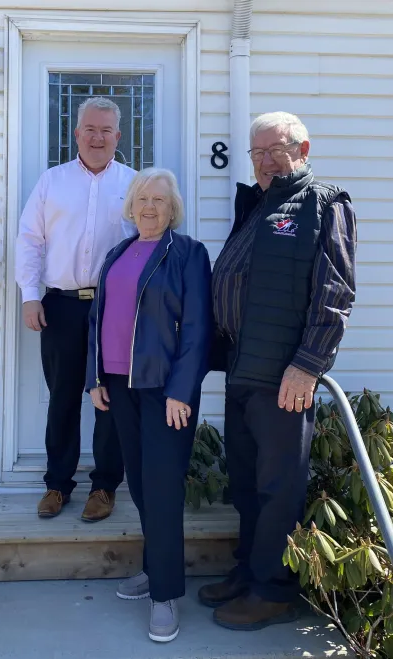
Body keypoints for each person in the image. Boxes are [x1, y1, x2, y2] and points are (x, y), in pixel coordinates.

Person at [201, 111, 357, 631]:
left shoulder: (321, 203)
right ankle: (249, 571)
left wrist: (308, 366)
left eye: (276, 149)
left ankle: (274, 590)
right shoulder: (257, 206)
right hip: (244, 370)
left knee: (278, 487)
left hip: (284, 378)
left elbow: (335, 294)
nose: (266, 161)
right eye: (257, 152)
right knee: (245, 483)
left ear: (303, 148)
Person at [86, 168, 212, 642]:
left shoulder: (188, 254)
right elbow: (98, 319)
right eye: (143, 198)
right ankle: (153, 568)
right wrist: (94, 378)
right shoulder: (118, 252)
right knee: (138, 482)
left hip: (164, 390)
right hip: (119, 385)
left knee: (161, 487)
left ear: (172, 207)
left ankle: (165, 594)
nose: (150, 207)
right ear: (131, 205)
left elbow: (198, 328)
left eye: (159, 199)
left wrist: (182, 389)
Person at [16, 97, 136, 521]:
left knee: (111, 399)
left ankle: (104, 487)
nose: (98, 137)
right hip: (61, 306)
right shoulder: (52, 182)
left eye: (106, 130)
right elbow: (30, 239)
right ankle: (57, 484)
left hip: (116, 310)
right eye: (90, 128)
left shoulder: (135, 184)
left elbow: (149, 243)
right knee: (62, 397)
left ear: (118, 136)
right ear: (77, 132)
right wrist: (30, 294)